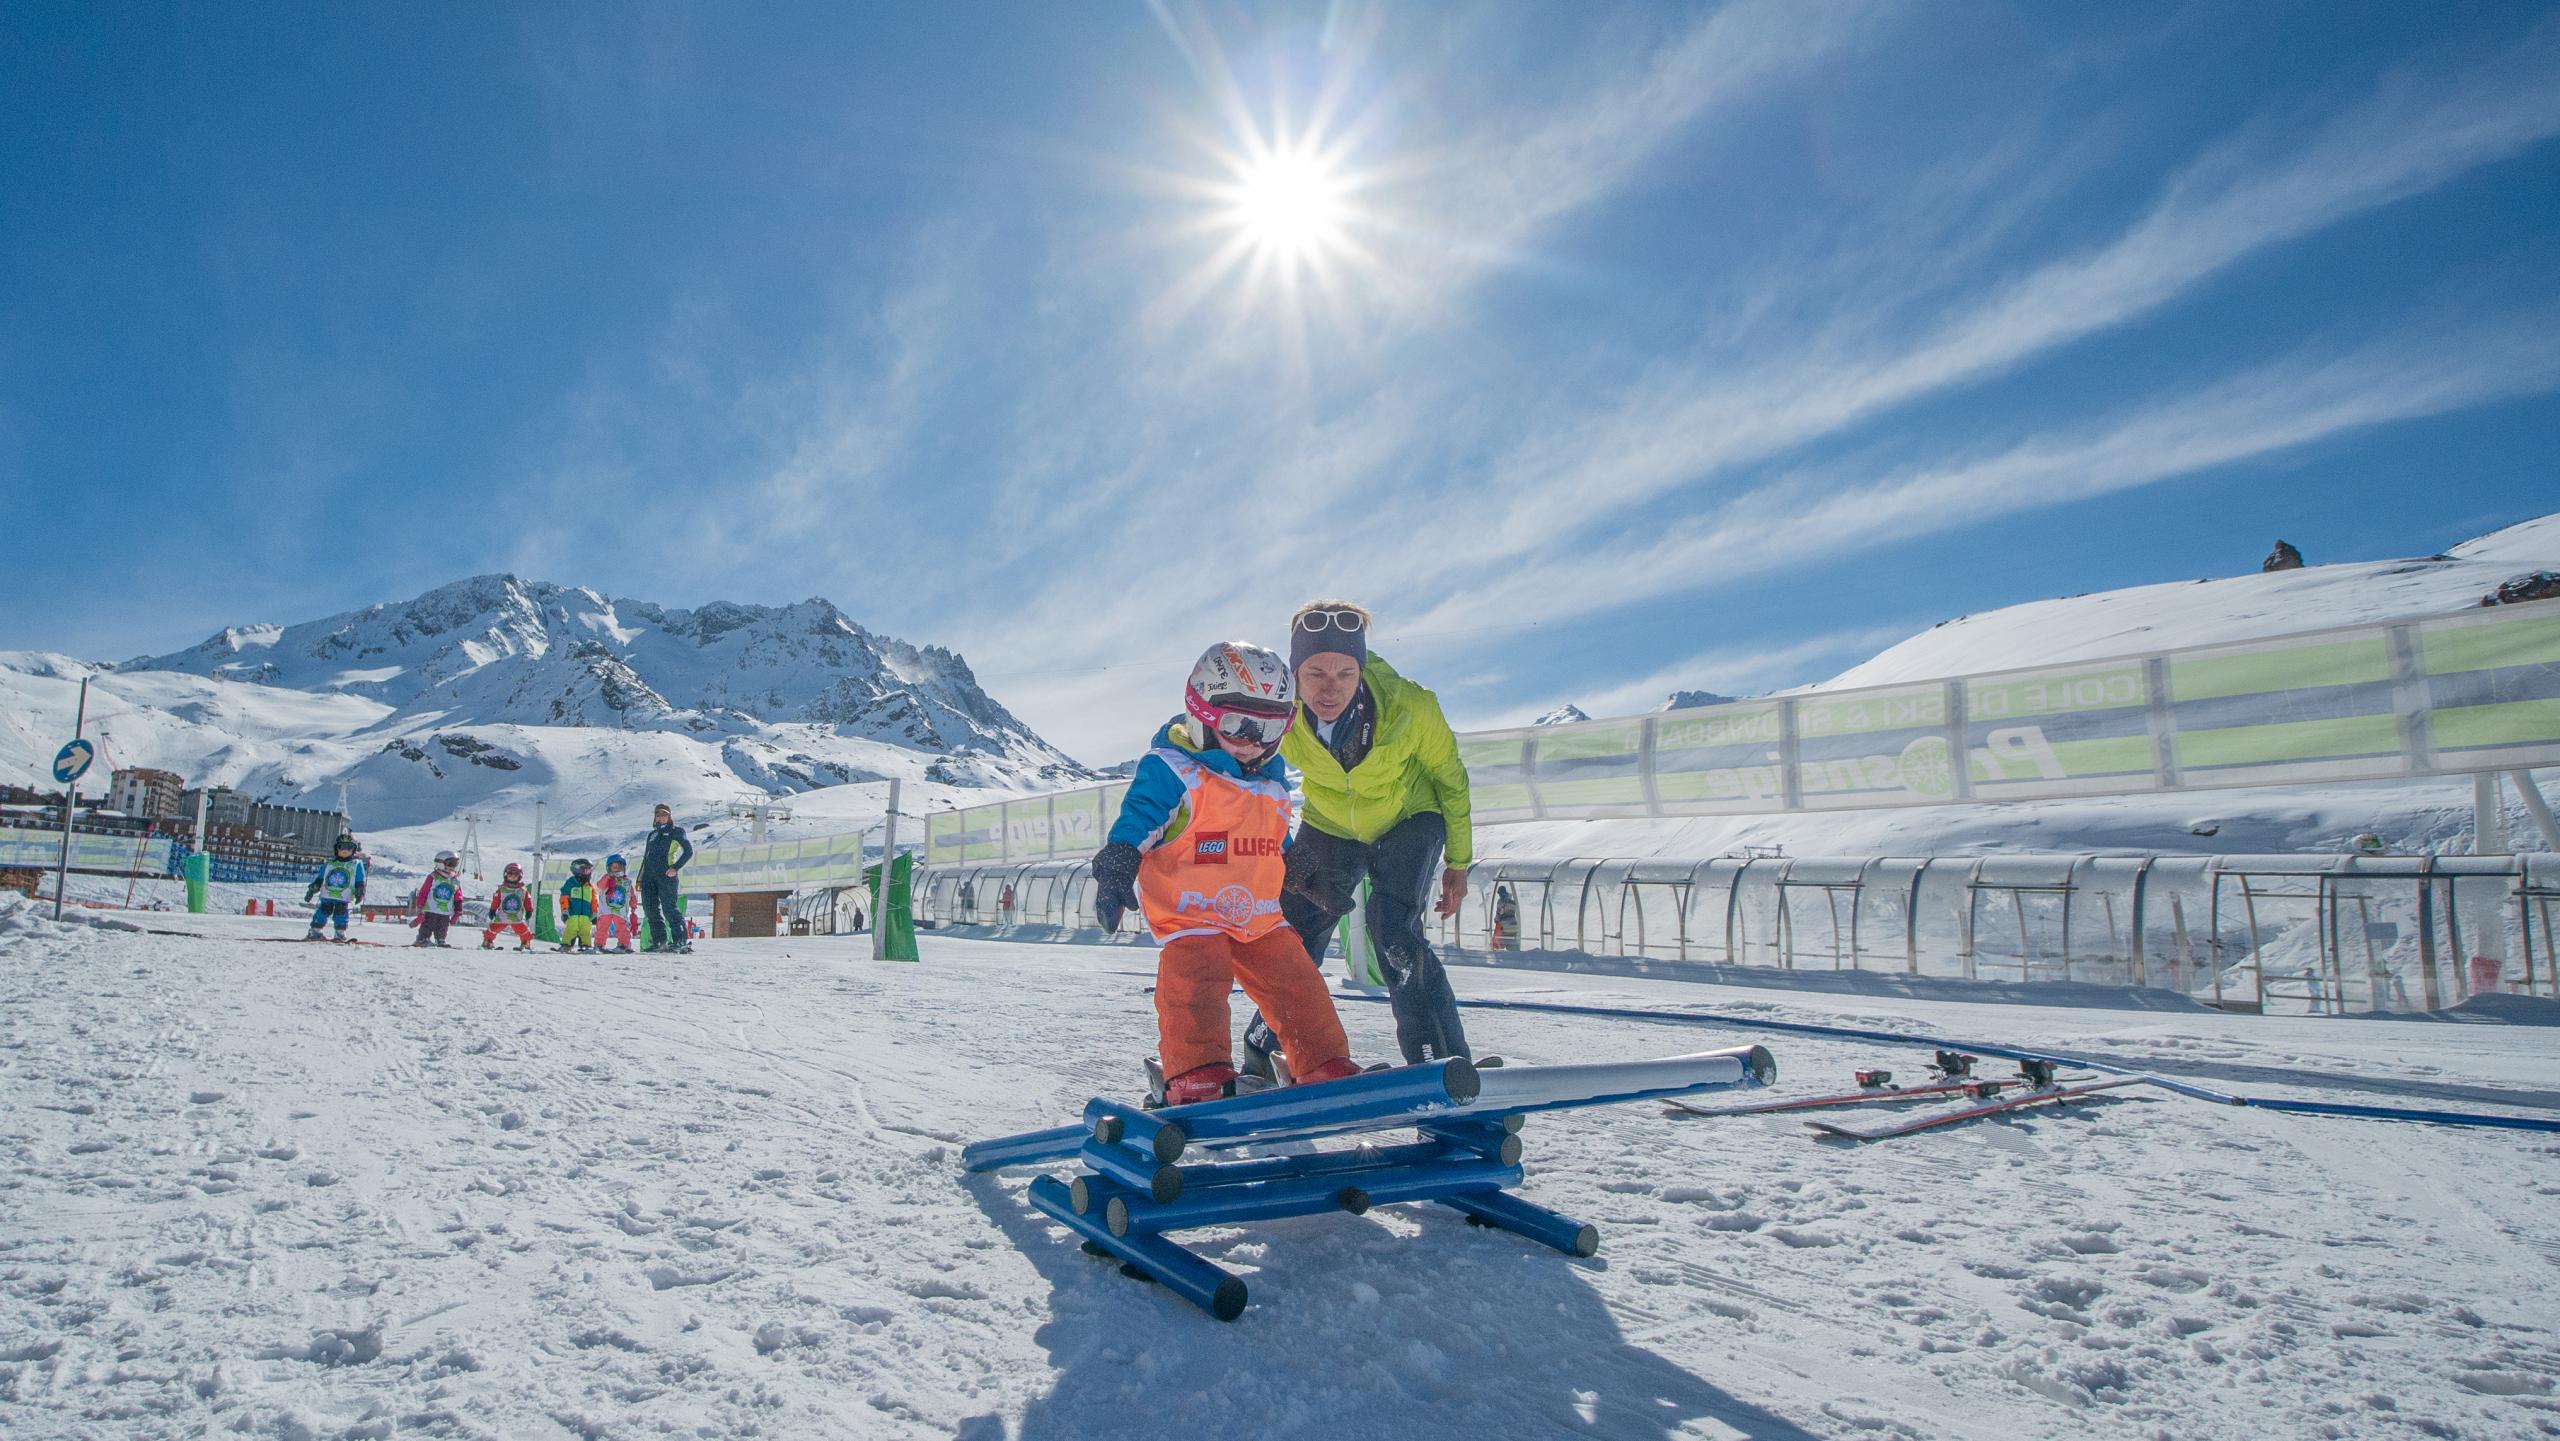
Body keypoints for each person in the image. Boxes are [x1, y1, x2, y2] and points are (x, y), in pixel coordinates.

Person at [1088, 641, 1361, 1106]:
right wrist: (1118, 863)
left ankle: (1322, 1064)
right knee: (1197, 981)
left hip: (1258, 915)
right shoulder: (1173, 769)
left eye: (1273, 727)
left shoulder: (1270, 782)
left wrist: (1301, 873)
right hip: (1191, 913)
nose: (1256, 740)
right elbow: (1141, 818)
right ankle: (1196, 1072)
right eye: (1241, 725)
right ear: (1201, 715)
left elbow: (1275, 839)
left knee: (1299, 984)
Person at [1243, 600, 1475, 1077]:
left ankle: (1441, 1061)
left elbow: (1450, 778)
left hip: (1409, 813)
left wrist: (1459, 861)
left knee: (1392, 930)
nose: (1330, 689)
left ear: (1361, 668)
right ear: (1294, 673)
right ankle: (1264, 1056)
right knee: (1292, 935)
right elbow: (1225, 749)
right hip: (1331, 823)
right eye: (1315, 674)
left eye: (1345, 674)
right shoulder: (1278, 712)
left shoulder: (1412, 705)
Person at [641, 803, 694, 953]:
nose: (661, 817)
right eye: (658, 815)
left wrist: (675, 868)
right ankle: (659, 942)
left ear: (669, 817)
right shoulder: (652, 835)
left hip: (666, 876)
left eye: (664, 815)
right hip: (649, 877)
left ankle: (680, 941)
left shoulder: (676, 832)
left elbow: (688, 851)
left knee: (669, 908)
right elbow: (646, 858)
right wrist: (641, 877)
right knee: (650, 909)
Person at [302, 833, 366, 943]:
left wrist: (359, 891)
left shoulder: (356, 864)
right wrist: (313, 888)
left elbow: (359, 880)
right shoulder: (330, 864)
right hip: (328, 894)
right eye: (341, 847)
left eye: (348, 847)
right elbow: (320, 878)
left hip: (343, 895)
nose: (345, 850)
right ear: (337, 849)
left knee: (341, 913)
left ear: (354, 849)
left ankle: (340, 933)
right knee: (322, 911)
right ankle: (315, 931)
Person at [413, 851, 465, 948]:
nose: (453, 867)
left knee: (443, 925)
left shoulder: (454, 880)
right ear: (440, 864)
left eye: (455, 864)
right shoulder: (433, 877)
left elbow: (458, 895)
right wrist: (420, 905)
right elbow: (424, 891)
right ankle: (422, 938)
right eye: (451, 864)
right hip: (431, 908)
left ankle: (440, 939)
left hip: (445, 910)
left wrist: (458, 908)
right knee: (428, 924)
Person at [482, 862, 536, 951]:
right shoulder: (502, 889)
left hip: (517, 916)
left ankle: (525, 942)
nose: (512, 876)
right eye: (510, 874)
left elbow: (527, 900)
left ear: (520, 876)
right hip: (503, 916)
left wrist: (529, 910)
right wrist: (493, 909)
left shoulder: (522, 890)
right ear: (506, 875)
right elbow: (496, 900)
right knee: (493, 929)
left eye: (515, 874)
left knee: (523, 930)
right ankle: (488, 940)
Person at [595, 854, 638, 953]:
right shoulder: (606, 879)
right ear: (609, 868)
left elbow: (631, 894)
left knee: (622, 927)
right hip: (606, 909)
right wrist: (608, 877)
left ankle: (624, 944)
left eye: (620, 867)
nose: (617, 870)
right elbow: (600, 886)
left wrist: (633, 905)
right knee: (602, 927)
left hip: (620, 910)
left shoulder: (627, 882)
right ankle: (599, 944)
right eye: (614, 867)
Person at [557, 858, 599, 954]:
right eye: (585, 870)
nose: (587, 873)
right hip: (573, 913)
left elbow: (594, 901)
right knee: (571, 929)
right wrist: (564, 910)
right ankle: (566, 945)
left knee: (586, 931)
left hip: (586, 915)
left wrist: (594, 912)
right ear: (576, 870)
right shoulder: (570, 883)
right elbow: (564, 897)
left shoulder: (590, 886)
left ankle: (586, 945)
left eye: (589, 870)